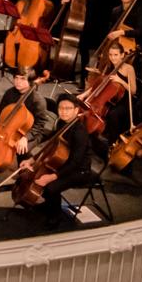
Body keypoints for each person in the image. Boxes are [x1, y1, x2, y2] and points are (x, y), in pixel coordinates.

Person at [21, 93, 91, 228]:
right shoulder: (62, 123)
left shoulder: (79, 132)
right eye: (60, 108)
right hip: (64, 164)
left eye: (67, 108)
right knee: (39, 176)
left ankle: (55, 216)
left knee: (50, 187)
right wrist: (31, 160)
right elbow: (49, 146)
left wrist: (52, 177)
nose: (63, 111)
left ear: (76, 110)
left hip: (80, 170)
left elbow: (75, 163)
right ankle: (49, 205)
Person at [0, 68, 50, 183]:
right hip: (9, 127)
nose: (17, 82)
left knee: (21, 148)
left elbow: (40, 125)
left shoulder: (38, 101)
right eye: (16, 78)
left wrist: (26, 137)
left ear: (30, 81)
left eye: (22, 79)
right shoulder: (10, 93)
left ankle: (24, 176)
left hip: (31, 132)